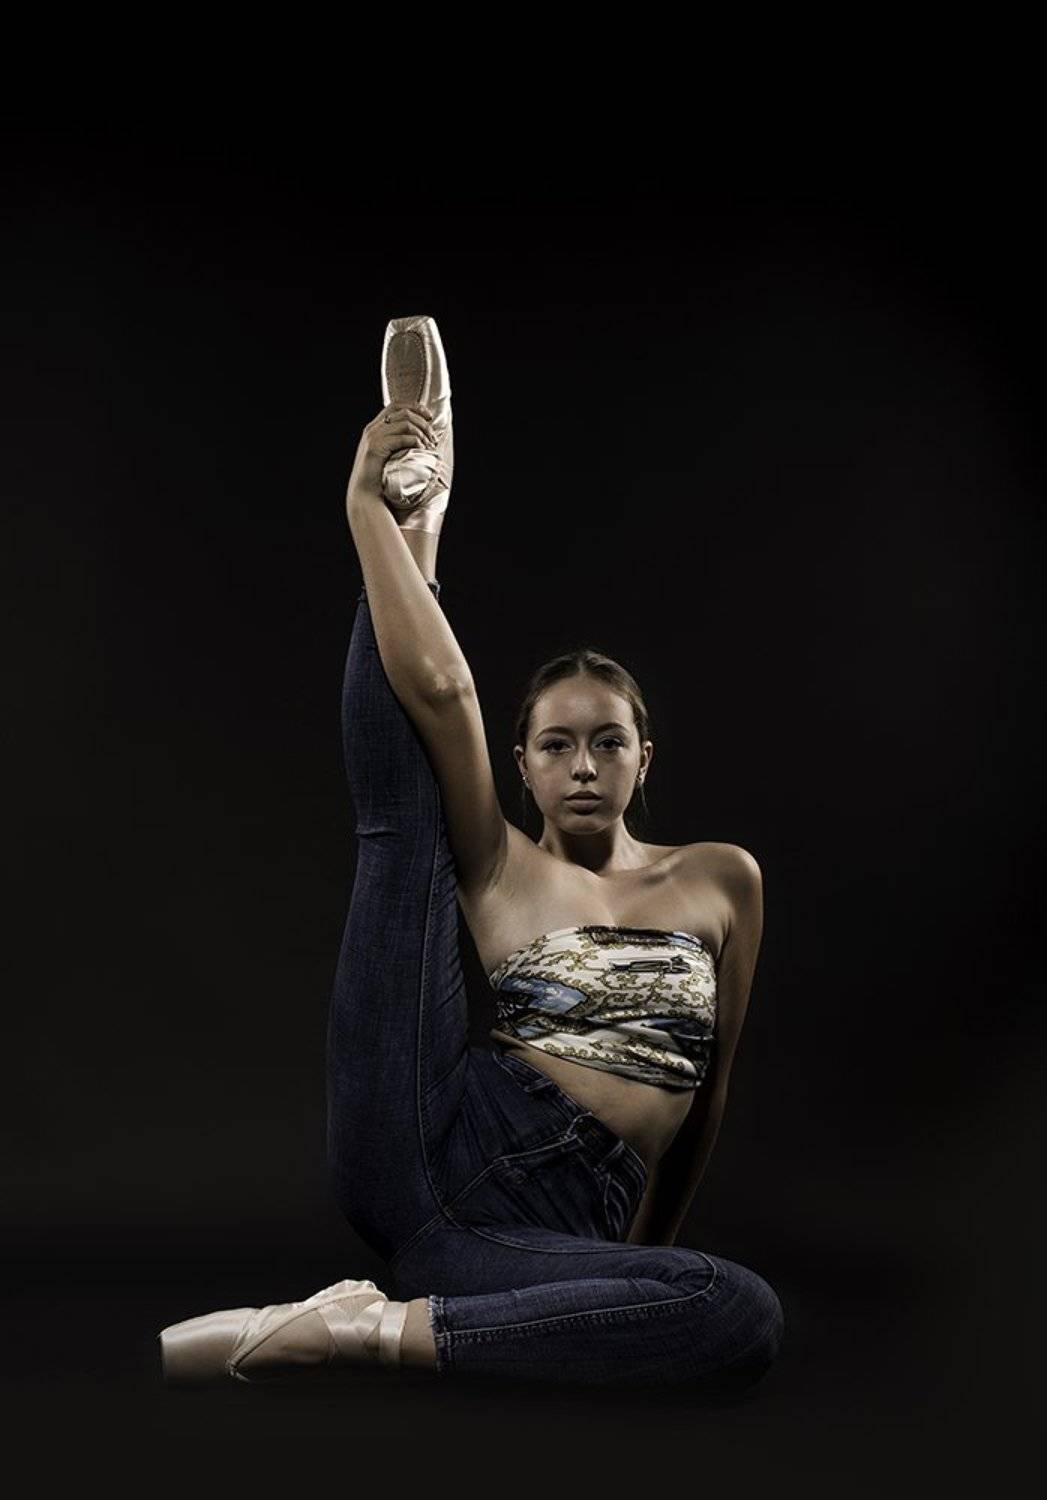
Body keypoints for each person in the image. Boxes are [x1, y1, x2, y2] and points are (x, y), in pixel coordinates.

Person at [158, 315, 784, 1390]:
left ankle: (351, 1329)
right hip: (426, 1139)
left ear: (643, 758)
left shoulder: (723, 880)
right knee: (403, 822)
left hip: (526, 1238)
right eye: (556, 745)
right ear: (524, 766)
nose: (582, 765)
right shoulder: (499, 862)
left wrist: (632, 1280)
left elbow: (707, 1099)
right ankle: (419, 520)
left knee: (732, 1309)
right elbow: (445, 694)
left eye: (607, 742)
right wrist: (367, 511)